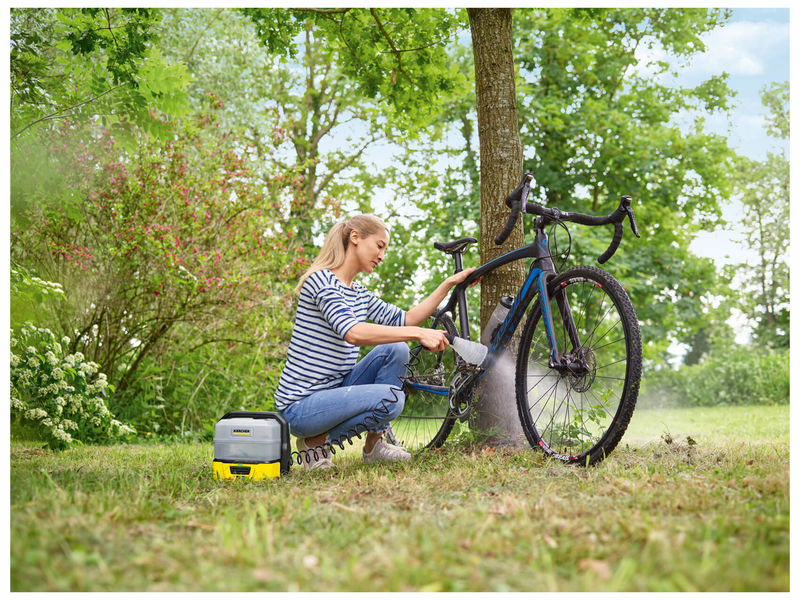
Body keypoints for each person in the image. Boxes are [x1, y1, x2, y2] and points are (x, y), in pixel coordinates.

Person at [275, 214, 476, 470]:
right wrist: (418, 333)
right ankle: (314, 441)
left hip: (337, 391)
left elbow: (407, 318)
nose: (382, 256)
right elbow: (353, 332)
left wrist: (448, 284)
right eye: (379, 246)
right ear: (355, 238)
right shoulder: (321, 281)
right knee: (391, 398)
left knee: (396, 350)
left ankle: (375, 446)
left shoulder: (359, 294)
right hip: (302, 406)